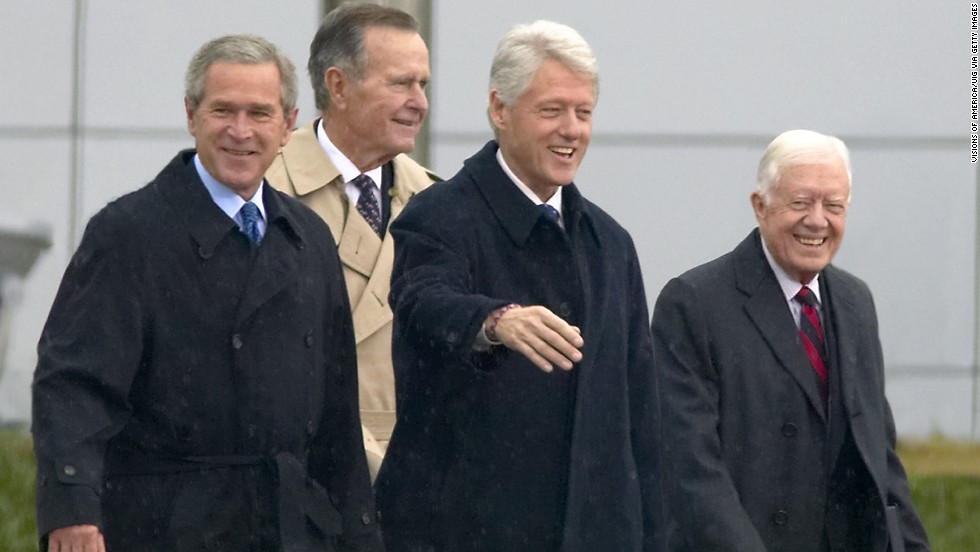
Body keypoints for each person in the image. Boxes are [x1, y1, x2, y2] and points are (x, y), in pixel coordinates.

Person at [31, 34, 382, 551]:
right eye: (223, 110)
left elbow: (336, 422)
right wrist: (73, 509)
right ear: (192, 114)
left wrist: (358, 534)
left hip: (287, 530)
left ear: (288, 125)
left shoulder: (309, 238)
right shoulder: (128, 232)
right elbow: (73, 386)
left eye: (259, 114)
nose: (240, 132)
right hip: (161, 527)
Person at [374, 20, 662, 552]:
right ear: (499, 110)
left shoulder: (610, 243)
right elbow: (421, 302)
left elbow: (641, 416)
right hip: (463, 529)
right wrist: (494, 321)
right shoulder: (437, 215)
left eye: (584, 112)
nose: (571, 130)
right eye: (552, 110)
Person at [650, 129, 931, 552]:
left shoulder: (856, 303)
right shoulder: (694, 304)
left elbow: (882, 461)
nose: (817, 220)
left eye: (833, 206)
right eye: (800, 202)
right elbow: (691, 468)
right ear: (760, 207)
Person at [266, 3, 436, 473]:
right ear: (338, 86)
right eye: (401, 83)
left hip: (414, 484)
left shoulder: (437, 202)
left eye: (423, 84)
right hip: (296, 476)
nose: (420, 102)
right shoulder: (264, 194)